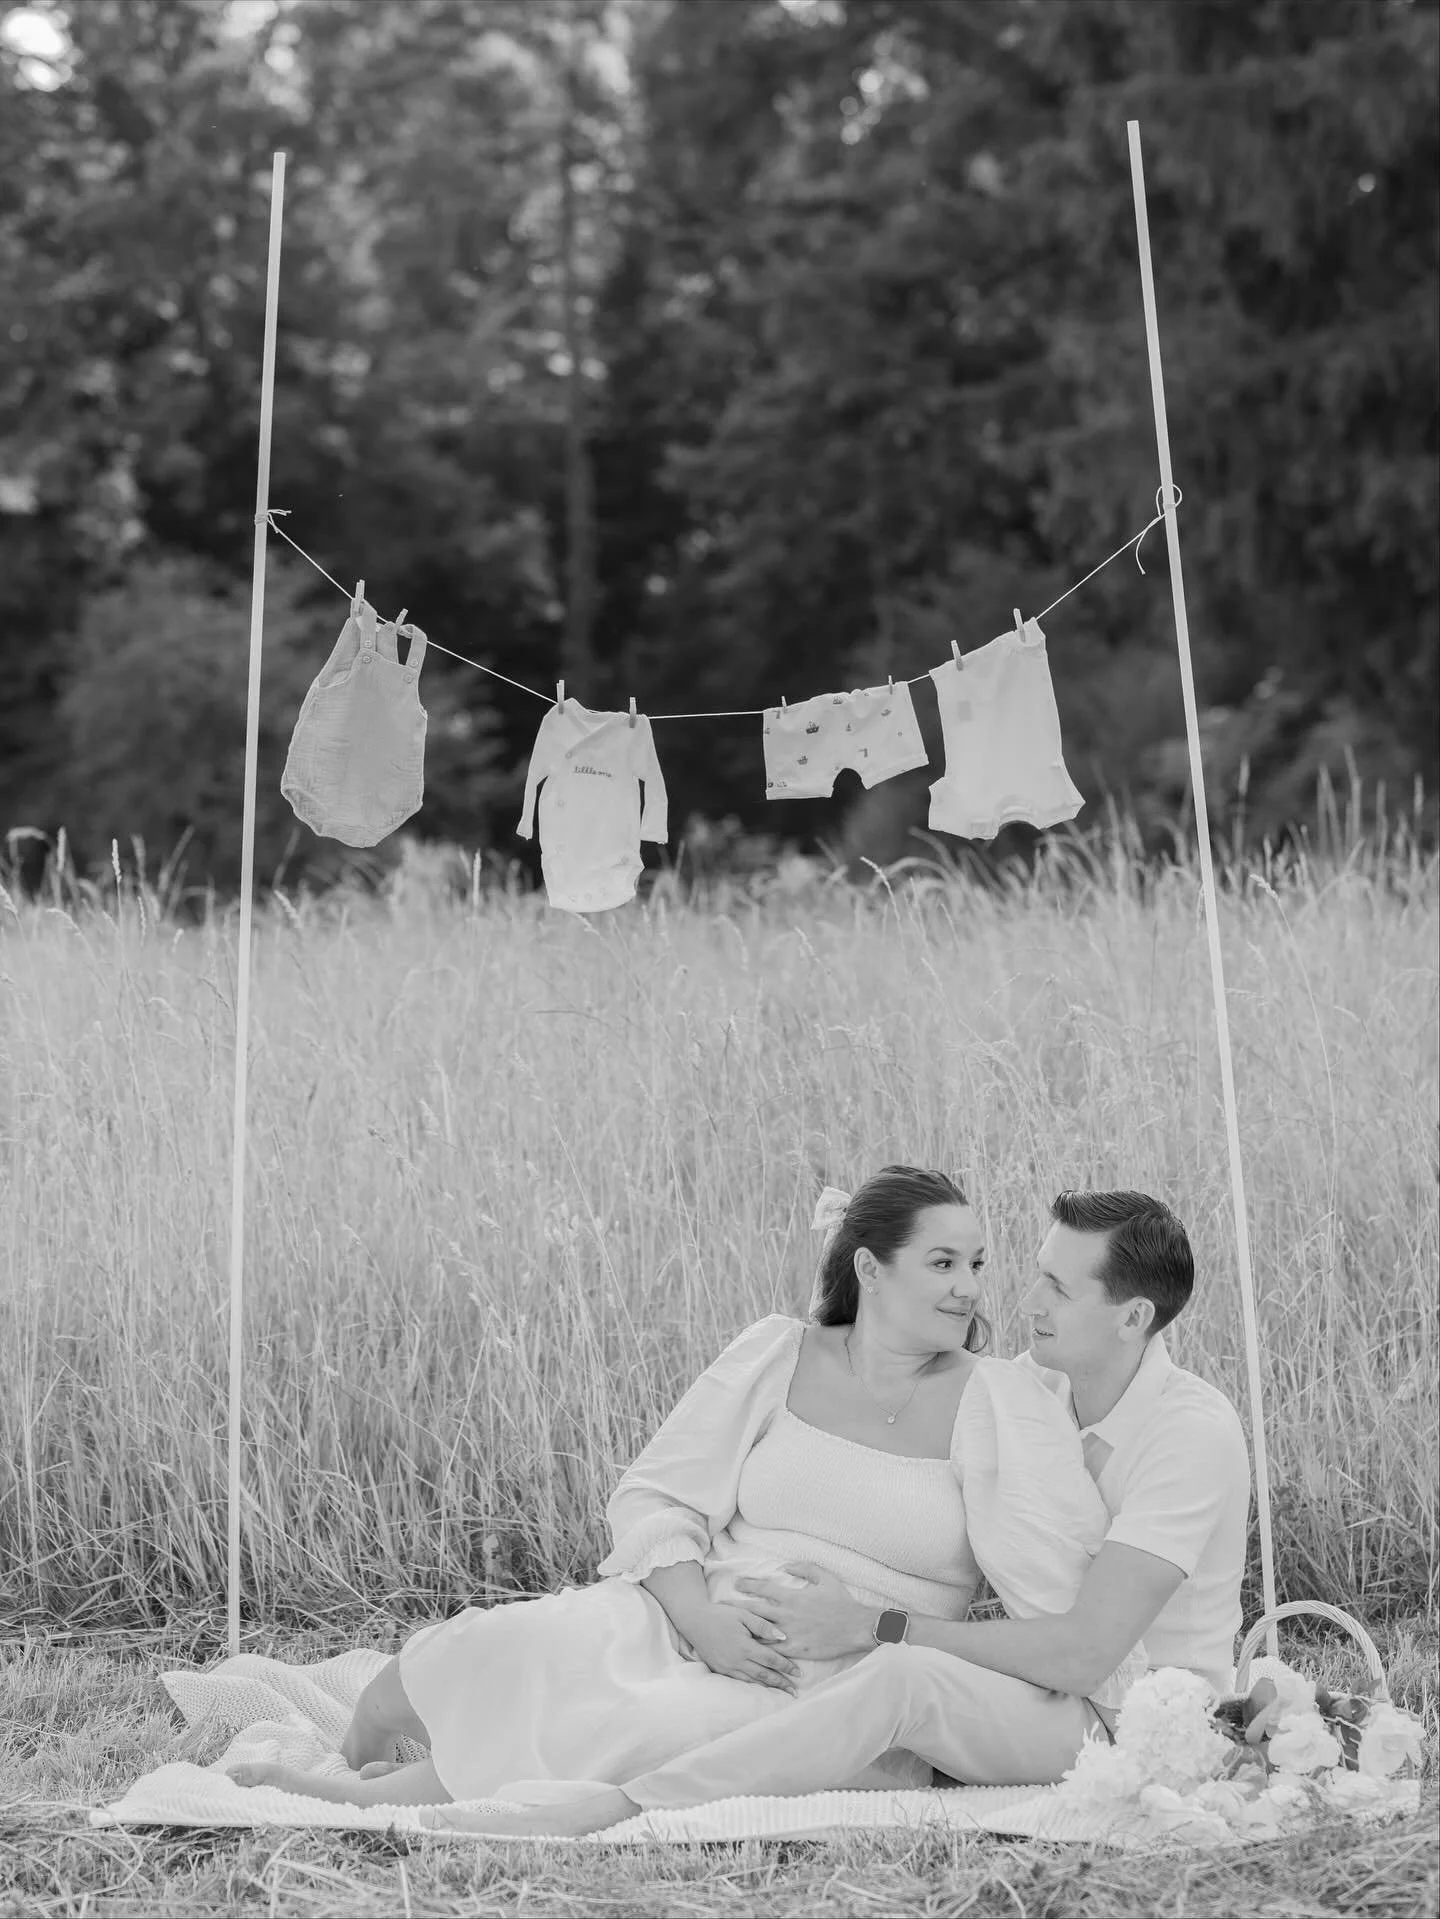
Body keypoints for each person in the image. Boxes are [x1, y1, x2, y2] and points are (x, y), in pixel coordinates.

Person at [448, 1186, 1253, 1838]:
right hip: (1039, 1683)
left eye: (1059, 1287)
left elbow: (1084, 1656)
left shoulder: (1188, 1434)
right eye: (1036, 1272)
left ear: (1133, 1317)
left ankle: (628, 1808)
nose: (1022, 1297)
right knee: (574, 1652)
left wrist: (873, 1623)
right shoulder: (1035, 1389)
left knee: (899, 1673)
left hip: (1134, 1720)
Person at [229, 1165, 1034, 1808]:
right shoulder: (781, 1353)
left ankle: (372, 1799)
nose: (968, 1286)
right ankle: (363, 1740)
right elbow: (656, 1495)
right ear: (870, 1268)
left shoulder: (995, 1399)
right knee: (507, 1643)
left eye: (976, 1264)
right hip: (693, 1607)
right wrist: (701, 1619)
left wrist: (874, 1631)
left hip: (833, 1677)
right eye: (943, 1263)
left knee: (649, 1722)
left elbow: (1049, 1606)